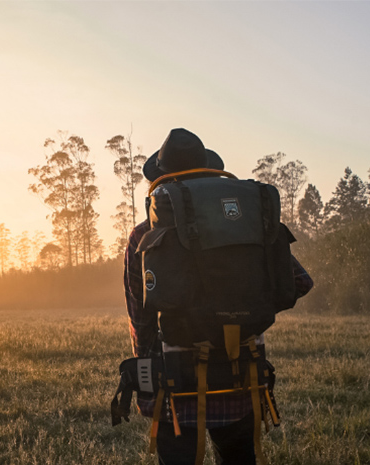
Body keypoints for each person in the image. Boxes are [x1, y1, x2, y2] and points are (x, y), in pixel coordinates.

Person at [123, 128, 314, 465]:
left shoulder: (144, 235)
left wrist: (147, 375)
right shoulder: (250, 226)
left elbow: (141, 318)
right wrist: (244, 309)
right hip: (241, 374)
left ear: (163, 179)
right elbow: (299, 282)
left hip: (175, 382)